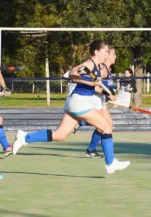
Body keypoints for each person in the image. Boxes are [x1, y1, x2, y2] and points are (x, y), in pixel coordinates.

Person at [12, 40, 130, 174]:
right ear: (96, 52)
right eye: (105, 51)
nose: (107, 54)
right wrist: (90, 82)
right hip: (80, 102)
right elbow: (73, 74)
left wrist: (99, 88)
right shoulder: (89, 64)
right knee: (106, 126)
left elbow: (91, 83)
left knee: (59, 135)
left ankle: (25, 138)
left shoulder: (97, 65)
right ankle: (110, 163)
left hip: (76, 101)